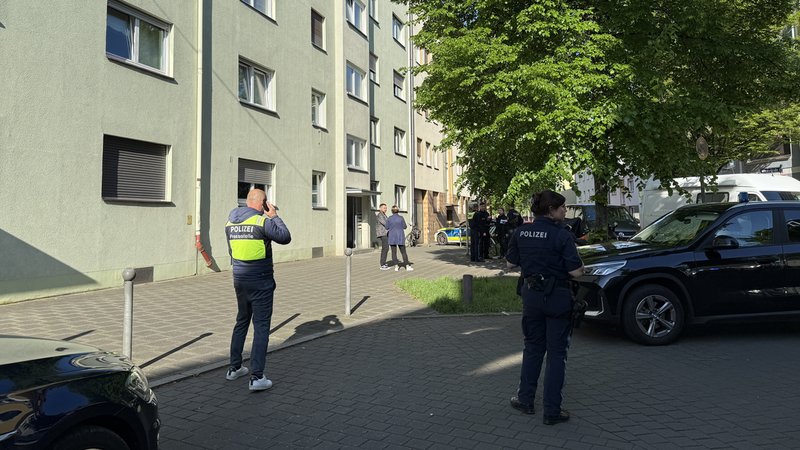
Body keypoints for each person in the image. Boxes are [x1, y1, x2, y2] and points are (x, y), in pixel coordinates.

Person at [506, 190, 584, 425]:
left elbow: (510, 263)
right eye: (562, 207)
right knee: (557, 355)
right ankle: (552, 411)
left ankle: (525, 400)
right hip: (558, 299)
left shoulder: (521, 232)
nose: (565, 211)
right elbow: (575, 272)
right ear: (551, 210)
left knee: (532, 349)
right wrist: (583, 268)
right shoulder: (562, 235)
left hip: (532, 298)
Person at [224, 188, 292, 391]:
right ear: (263, 203)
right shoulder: (262, 222)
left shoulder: (230, 222)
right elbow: (285, 237)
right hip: (260, 280)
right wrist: (275, 217)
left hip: (239, 278)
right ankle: (257, 377)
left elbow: (231, 251)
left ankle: (234, 368)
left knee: (242, 321)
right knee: (261, 327)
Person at [386, 205, 413, 271]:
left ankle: (396, 266)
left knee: (393, 252)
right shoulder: (401, 218)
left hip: (392, 236)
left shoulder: (389, 218)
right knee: (403, 252)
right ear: (398, 211)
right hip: (400, 236)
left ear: (392, 211)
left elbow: (386, 227)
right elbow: (405, 226)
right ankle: (407, 265)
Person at [376, 203, 390, 270]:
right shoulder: (380, 215)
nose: (385, 209)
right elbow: (385, 223)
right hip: (382, 233)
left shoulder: (384, 215)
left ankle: (384, 262)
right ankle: (382, 264)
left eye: (386, 208)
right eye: (384, 208)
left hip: (385, 233)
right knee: (385, 248)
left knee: (386, 248)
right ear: (380, 208)